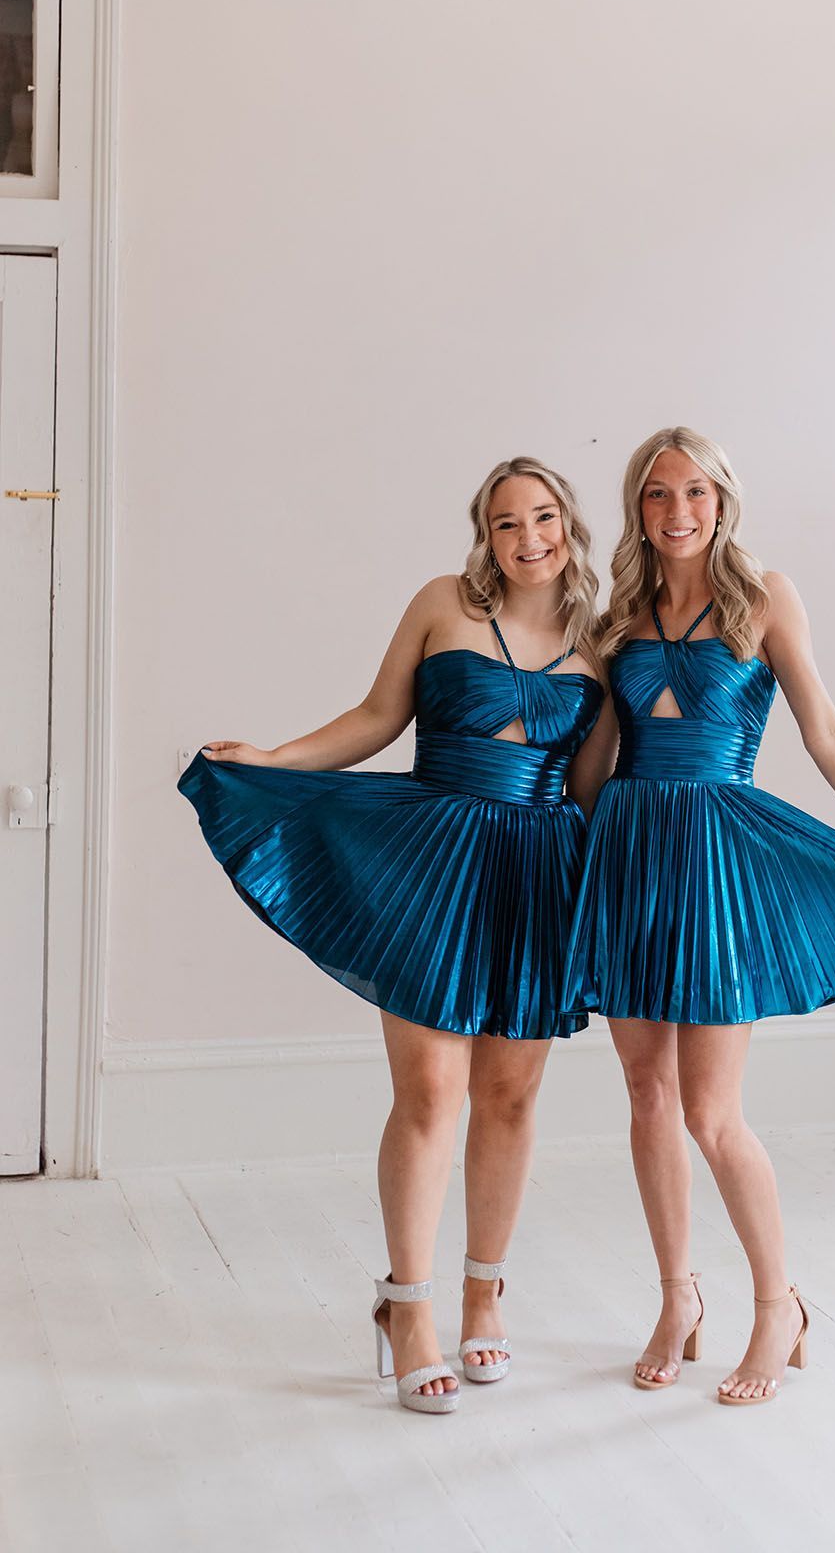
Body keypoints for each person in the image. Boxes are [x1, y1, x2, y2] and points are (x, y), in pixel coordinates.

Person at [180, 457, 603, 1414]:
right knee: (429, 1093)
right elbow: (378, 717)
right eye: (506, 523)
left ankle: (485, 1296)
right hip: (435, 862)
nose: (528, 538)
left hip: (538, 875)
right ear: (484, 533)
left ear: (571, 526)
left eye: (543, 518)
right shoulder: (442, 603)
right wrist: (276, 760)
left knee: (510, 1097)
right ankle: (406, 1307)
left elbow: (589, 786)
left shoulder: (601, 643)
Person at [564, 427, 835, 1406]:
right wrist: (546, 839)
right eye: (658, 495)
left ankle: (777, 1304)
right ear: (638, 510)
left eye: (694, 492)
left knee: (710, 1111)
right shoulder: (618, 617)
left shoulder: (764, 597)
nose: (677, 512)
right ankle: (678, 1299)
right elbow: (594, 760)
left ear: (722, 500)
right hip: (632, 857)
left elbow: (825, 730)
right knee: (647, 1095)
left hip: (714, 862)